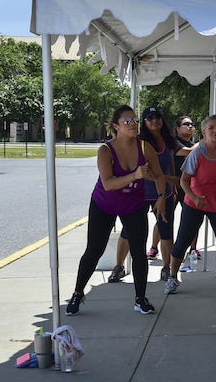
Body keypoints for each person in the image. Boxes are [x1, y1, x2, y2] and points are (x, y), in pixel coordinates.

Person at [65, 105, 167, 316]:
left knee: (139, 252)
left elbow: (158, 175)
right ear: (116, 126)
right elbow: (108, 183)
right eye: (127, 121)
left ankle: (140, 298)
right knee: (94, 250)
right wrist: (135, 175)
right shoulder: (105, 150)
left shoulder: (144, 147)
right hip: (104, 204)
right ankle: (77, 293)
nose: (133, 124)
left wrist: (161, 197)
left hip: (134, 205)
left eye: (135, 120)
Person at [165, 115, 216, 295]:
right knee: (182, 241)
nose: (215, 131)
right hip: (194, 205)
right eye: (211, 128)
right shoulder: (197, 154)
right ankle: (172, 277)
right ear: (204, 132)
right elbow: (184, 180)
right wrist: (194, 197)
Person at [108, 107, 181, 286]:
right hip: (140, 193)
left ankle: (166, 267)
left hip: (164, 193)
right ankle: (119, 266)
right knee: (129, 231)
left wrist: (171, 186)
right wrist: (168, 179)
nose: (154, 120)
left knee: (166, 229)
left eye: (157, 117)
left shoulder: (168, 141)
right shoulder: (140, 143)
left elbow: (170, 163)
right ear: (144, 122)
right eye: (149, 118)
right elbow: (146, 173)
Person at [171, 115, 200, 261]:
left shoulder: (194, 144)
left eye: (192, 124)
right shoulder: (174, 143)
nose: (190, 126)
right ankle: (155, 247)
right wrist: (203, 142)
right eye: (186, 124)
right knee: (165, 219)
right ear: (177, 128)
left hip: (189, 188)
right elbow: (187, 151)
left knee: (192, 220)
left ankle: (193, 249)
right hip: (173, 186)